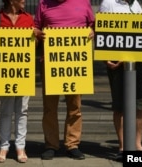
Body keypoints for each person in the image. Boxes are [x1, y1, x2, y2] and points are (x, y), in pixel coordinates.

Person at [34, 0, 95, 160]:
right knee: (49, 107)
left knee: (75, 106)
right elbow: (36, 27)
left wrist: (92, 32)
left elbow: (94, 25)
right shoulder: (43, 3)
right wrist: (37, 33)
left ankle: (72, 144)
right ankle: (51, 145)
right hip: (50, 63)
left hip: (76, 63)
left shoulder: (83, 2)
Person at [98, 0, 142, 161]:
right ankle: (122, 146)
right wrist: (105, 58)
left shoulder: (136, 4)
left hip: (140, 62)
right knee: (120, 105)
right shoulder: (108, 3)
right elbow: (101, 31)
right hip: (118, 62)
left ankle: (137, 145)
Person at [0, 0, 34, 163]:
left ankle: (20, 146)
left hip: (23, 72)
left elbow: (34, 45)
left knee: (22, 110)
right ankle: (3, 146)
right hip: (5, 73)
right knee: (6, 110)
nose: (25, 1)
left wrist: (37, 36)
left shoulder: (28, 19)